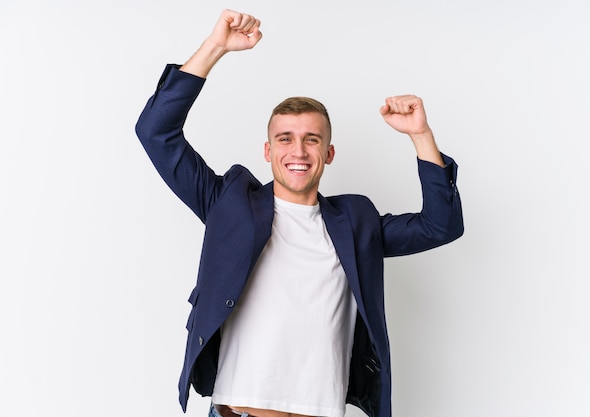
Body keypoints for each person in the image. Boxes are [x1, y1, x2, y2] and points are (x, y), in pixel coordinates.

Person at [135, 8, 463, 417]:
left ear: (328, 153)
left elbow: (440, 226)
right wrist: (215, 47)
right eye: (285, 139)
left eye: (312, 140)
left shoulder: (355, 222)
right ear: (268, 151)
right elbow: (156, 132)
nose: (299, 151)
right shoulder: (229, 202)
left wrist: (420, 135)